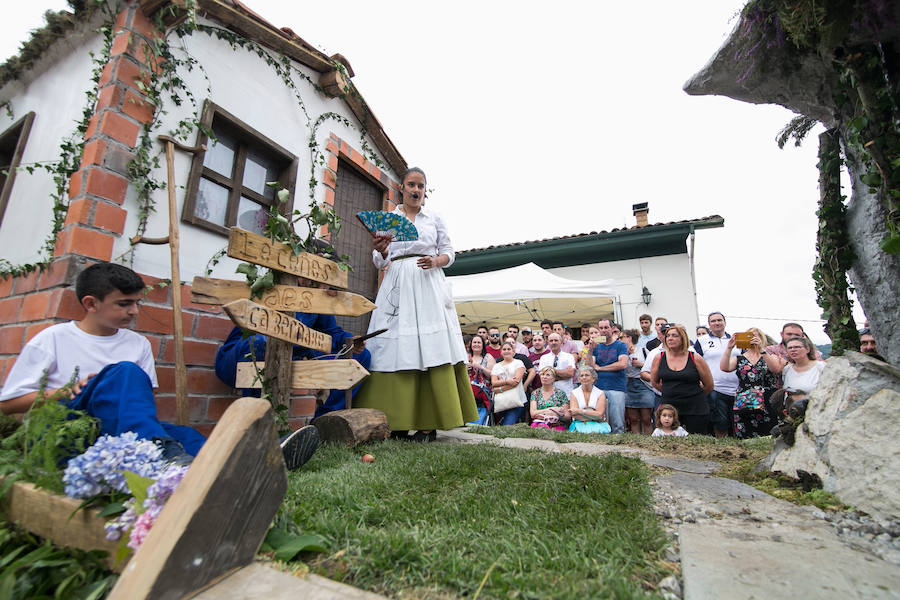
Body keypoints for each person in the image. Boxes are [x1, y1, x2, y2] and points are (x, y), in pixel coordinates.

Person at [0, 262, 317, 470]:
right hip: (67, 432)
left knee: (184, 434)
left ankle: (252, 457)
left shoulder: (136, 344)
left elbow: (139, 411)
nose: (135, 311)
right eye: (124, 304)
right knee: (124, 373)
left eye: (138, 302)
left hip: (116, 435)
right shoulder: (54, 338)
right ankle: (162, 457)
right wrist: (65, 391)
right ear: (90, 304)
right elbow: (9, 404)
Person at [354, 167, 478, 441]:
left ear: (425, 190)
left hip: (427, 283)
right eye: (411, 184)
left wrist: (435, 261)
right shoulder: (390, 219)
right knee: (393, 344)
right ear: (402, 187)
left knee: (429, 347)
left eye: (421, 186)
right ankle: (395, 421)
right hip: (396, 283)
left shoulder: (434, 218)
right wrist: (382, 249)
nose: (415, 190)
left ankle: (427, 425)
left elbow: (449, 252)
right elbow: (381, 261)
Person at [215, 307, 370, 419]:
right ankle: (256, 422)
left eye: (328, 286)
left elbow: (331, 332)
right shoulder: (273, 286)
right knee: (264, 343)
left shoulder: (318, 299)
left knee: (361, 357)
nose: (326, 289)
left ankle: (323, 421)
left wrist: (348, 341)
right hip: (241, 357)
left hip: (292, 355)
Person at [651, 324, 714, 435]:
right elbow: (654, 382)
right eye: (668, 336)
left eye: (674, 335)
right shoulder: (659, 357)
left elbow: (709, 385)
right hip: (669, 408)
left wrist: (693, 394)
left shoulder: (695, 358)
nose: (670, 338)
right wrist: (670, 391)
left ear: (683, 338)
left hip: (695, 408)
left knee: (696, 440)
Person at [720, 327, 782, 439]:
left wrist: (761, 349)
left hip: (767, 398)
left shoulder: (770, 356)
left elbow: (775, 369)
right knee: (746, 431)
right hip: (745, 398)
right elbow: (725, 367)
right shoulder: (739, 358)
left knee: (769, 431)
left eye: (755, 336)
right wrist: (729, 348)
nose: (752, 338)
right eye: (749, 336)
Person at [692, 312, 740, 437]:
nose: (717, 323)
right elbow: (694, 362)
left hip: (737, 388)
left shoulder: (736, 340)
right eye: (713, 321)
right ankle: (722, 448)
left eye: (719, 320)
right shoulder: (702, 341)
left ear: (725, 322)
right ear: (709, 325)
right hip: (715, 388)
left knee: (737, 423)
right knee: (720, 422)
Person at [587, 319, 628, 434]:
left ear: (612, 328)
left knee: (617, 421)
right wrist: (590, 350)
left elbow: (623, 364)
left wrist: (601, 368)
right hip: (599, 387)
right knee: (600, 421)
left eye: (606, 327)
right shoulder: (597, 346)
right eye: (601, 328)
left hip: (616, 387)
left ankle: (618, 445)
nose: (603, 330)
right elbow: (590, 366)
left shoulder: (620, 345)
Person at [623, 329, 654, 434]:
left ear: (629, 338)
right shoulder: (621, 352)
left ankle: (648, 441)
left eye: (622, 337)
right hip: (629, 384)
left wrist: (641, 364)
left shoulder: (643, 350)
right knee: (633, 419)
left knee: (646, 418)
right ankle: (636, 441)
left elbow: (652, 366)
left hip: (643, 384)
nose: (619, 340)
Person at [491, 341, 528, 425]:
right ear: (501, 352)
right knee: (502, 424)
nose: (506, 351)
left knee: (507, 425)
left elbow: (516, 382)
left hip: (517, 400)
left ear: (513, 351)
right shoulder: (496, 366)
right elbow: (493, 383)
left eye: (509, 349)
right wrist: (507, 381)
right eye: (504, 349)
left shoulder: (518, 363)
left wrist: (499, 389)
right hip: (502, 401)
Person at [568, 365, 610, 434]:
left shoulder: (600, 393)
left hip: (598, 425)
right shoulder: (574, 393)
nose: (584, 377)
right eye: (581, 376)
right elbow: (574, 414)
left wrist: (580, 411)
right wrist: (594, 415)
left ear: (593, 378)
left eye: (587, 375)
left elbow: (599, 414)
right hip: (579, 424)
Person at [529, 366, 570, 430]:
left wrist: (555, 416)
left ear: (553, 378)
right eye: (542, 374)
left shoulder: (561, 394)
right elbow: (533, 414)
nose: (544, 377)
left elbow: (567, 416)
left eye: (548, 375)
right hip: (539, 423)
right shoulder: (535, 393)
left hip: (556, 424)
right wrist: (551, 410)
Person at [466, 334, 495, 425]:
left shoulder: (488, 357)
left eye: (479, 342)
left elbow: (492, 375)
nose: (476, 344)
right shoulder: (466, 357)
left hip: (483, 392)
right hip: (468, 389)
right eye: (474, 342)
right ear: (471, 345)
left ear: (483, 345)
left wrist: (481, 367)